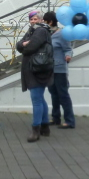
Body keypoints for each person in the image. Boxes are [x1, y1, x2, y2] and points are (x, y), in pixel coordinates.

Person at [15, 11, 55, 142]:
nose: (33, 21)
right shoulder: (32, 30)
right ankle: (45, 127)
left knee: (36, 99)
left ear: (41, 20)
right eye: (31, 19)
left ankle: (35, 129)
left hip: (38, 70)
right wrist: (23, 44)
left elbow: (30, 47)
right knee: (40, 98)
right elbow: (19, 44)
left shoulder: (41, 30)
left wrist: (25, 45)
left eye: (35, 19)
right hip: (34, 69)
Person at [43, 12, 75, 129]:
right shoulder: (46, 34)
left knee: (63, 94)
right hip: (49, 68)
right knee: (53, 94)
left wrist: (68, 56)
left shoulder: (62, 34)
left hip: (60, 69)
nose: (43, 23)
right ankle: (55, 118)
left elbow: (68, 48)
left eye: (45, 21)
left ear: (50, 22)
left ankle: (69, 121)